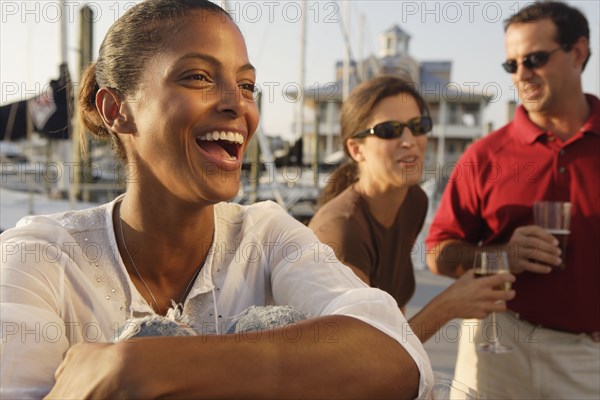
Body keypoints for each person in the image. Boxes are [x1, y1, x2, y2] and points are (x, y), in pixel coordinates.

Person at [0, 1, 434, 398]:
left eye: (246, 85)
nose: (237, 104)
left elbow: (395, 353)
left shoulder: (266, 234)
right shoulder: (40, 257)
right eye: (198, 77)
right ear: (116, 110)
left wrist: (138, 364)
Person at [426, 2, 599, 398]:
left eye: (535, 59)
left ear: (578, 52)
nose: (522, 75)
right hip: (496, 344)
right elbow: (439, 254)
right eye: (512, 65)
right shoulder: (485, 156)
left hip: (588, 357)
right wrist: (503, 254)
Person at [309, 76, 515, 344]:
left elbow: (393, 319)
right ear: (356, 149)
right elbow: (362, 358)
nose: (410, 140)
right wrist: (447, 306)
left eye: (418, 126)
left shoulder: (414, 201)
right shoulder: (340, 231)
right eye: (389, 130)